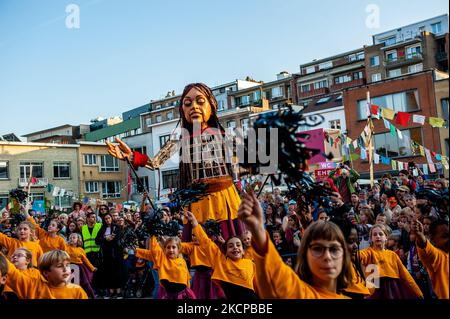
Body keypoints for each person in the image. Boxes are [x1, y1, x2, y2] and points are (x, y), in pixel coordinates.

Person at [107, 83, 243, 240]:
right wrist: (131, 156)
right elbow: (155, 162)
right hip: (198, 201)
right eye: (187, 103)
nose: (194, 107)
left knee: (231, 243)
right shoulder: (180, 139)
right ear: (182, 110)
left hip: (224, 197)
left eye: (200, 101)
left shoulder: (224, 135)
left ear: (211, 106)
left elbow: (248, 161)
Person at [238, 190, 352, 298]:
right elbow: (276, 281)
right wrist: (258, 230)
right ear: (304, 255)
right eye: (317, 249)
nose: (327, 256)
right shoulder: (300, 294)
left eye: (334, 249)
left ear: (345, 255)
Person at [184, 210, 257, 299]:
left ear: (243, 251)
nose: (235, 247)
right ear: (226, 251)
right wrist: (194, 222)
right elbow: (206, 243)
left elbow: (259, 286)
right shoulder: (220, 261)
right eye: (230, 246)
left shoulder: (251, 264)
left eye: (238, 245)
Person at [359, 224, 423, 299]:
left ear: (386, 237)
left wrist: (418, 292)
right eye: (374, 234)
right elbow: (356, 257)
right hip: (374, 289)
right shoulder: (367, 253)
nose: (378, 236)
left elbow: (405, 275)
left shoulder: (392, 255)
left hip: (393, 290)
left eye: (380, 234)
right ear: (371, 238)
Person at [1, 250, 88, 299]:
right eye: (59, 266)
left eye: (67, 265)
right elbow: (11, 271)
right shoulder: (33, 287)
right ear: (46, 272)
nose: (66, 269)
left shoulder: (77, 291)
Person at [180, 231, 225, 299]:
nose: (195, 237)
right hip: (198, 274)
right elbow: (179, 246)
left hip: (210, 275)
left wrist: (223, 243)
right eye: (193, 235)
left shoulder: (210, 245)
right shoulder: (192, 246)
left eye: (197, 235)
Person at [412, 219, 449, 299]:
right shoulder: (438, 257)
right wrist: (420, 235)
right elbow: (425, 246)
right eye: (445, 236)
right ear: (432, 239)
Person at [95, 213, 125, 299]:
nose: (107, 220)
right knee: (109, 272)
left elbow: (117, 238)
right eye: (106, 219)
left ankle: (118, 292)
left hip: (116, 253)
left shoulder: (116, 227)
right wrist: (105, 239)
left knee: (117, 272)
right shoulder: (102, 228)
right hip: (106, 253)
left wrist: (109, 239)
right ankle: (111, 292)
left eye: (109, 218)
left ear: (111, 218)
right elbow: (97, 240)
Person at [66, 233, 96, 298]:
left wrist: (92, 268)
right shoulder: (66, 247)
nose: (71, 239)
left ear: (78, 240)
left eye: (74, 238)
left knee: (85, 283)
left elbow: (86, 260)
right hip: (69, 268)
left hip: (79, 268)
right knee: (70, 284)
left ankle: (91, 296)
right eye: (70, 238)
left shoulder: (81, 250)